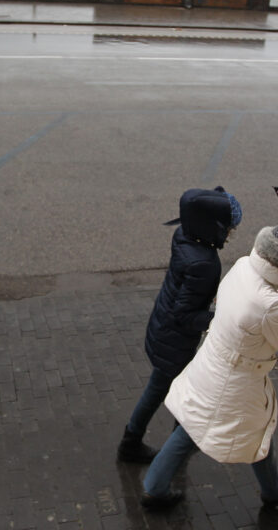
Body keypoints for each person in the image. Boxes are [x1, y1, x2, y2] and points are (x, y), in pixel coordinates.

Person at [139, 220, 278, 509]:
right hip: (237, 381)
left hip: (211, 364)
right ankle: (272, 490)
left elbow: (249, 312)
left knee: (200, 425)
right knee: (233, 428)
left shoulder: (243, 267)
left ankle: (157, 485)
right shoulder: (271, 304)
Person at [117, 186, 242, 464]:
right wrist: (220, 318)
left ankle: (140, 441)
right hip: (175, 340)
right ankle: (160, 449)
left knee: (161, 388)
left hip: (163, 328)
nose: (231, 233)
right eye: (228, 228)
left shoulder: (185, 236)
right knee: (175, 391)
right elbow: (184, 314)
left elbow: (185, 296)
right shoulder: (205, 262)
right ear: (211, 226)